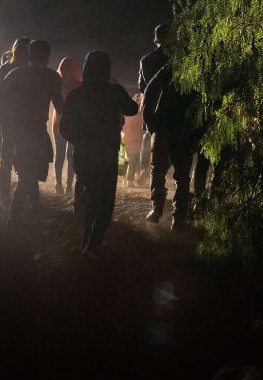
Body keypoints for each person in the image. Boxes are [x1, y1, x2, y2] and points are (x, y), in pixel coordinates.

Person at [59, 51, 139, 254]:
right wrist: (118, 91)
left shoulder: (76, 94)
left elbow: (64, 128)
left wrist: (79, 140)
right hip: (107, 154)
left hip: (83, 155)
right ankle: (92, 245)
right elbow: (132, 109)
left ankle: (87, 241)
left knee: (92, 197)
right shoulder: (114, 92)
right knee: (105, 201)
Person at [0, 39, 63, 227]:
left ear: (30, 55)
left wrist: (12, 108)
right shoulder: (52, 77)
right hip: (37, 130)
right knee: (30, 174)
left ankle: (32, 208)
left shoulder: (17, 74)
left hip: (18, 131)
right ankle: (16, 216)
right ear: (47, 56)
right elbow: (60, 106)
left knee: (27, 172)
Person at [142, 62, 197, 231]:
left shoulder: (170, 67)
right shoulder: (199, 68)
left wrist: (150, 121)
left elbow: (150, 90)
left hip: (163, 127)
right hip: (184, 131)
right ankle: (178, 219)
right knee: (182, 177)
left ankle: (156, 209)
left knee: (158, 170)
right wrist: (197, 135)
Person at [0, 37, 31, 207]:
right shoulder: (7, 68)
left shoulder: (25, 70)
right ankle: (7, 197)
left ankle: (12, 197)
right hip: (6, 122)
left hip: (13, 122)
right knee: (9, 160)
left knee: (12, 160)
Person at [136, 24, 171, 187]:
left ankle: (157, 189)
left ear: (155, 39)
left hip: (152, 109)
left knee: (153, 145)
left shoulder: (146, 60)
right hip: (173, 109)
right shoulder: (178, 59)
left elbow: (142, 86)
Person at [50, 58, 82, 194]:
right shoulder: (79, 85)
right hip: (74, 124)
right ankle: (68, 184)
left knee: (60, 154)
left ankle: (59, 183)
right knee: (70, 155)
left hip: (59, 123)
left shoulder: (57, 84)